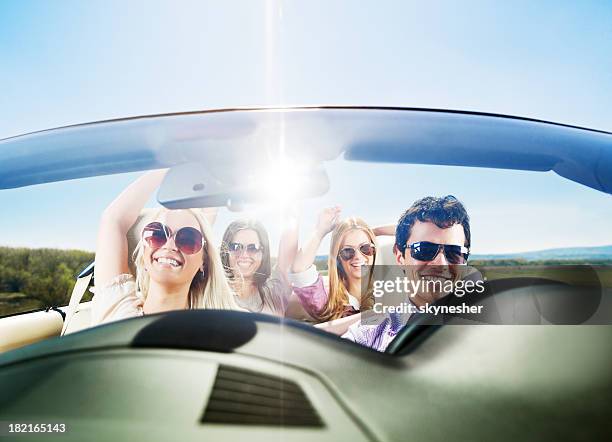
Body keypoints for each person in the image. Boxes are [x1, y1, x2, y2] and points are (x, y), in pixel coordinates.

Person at [91, 170, 239, 326]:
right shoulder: (117, 308)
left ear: (204, 261)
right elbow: (113, 219)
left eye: (188, 239)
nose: (170, 245)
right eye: (157, 234)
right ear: (144, 253)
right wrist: (168, 168)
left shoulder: (213, 331)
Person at [342, 195, 471, 351]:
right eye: (424, 250)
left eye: (454, 253)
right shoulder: (365, 335)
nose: (441, 263)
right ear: (399, 256)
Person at [289, 206, 394, 326]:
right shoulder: (327, 300)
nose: (358, 257)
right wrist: (320, 232)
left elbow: (415, 235)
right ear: (338, 258)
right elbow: (299, 269)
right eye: (348, 251)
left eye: (366, 248)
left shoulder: (388, 289)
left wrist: (374, 232)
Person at [220, 213, 298, 316]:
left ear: (263, 253)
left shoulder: (273, 293)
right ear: (226, 251)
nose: (244, 255)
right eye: (235, 247)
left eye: (253, 248)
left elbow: (287, 260)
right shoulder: (213, 291)